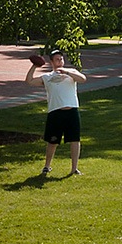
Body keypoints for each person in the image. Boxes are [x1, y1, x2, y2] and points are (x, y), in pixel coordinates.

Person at [28, 49, 84, 178]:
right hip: (55, 112)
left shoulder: (72, 73)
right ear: (52, 62)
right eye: (57, 60)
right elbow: (30, 81)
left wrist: (67, 71)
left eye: (61, 59)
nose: (60, 62)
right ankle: (47, 166)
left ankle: (74, 168)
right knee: (52, 141)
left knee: (74, 140)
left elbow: (83, 79)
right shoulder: (47, 77)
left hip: (72, 111)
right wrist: (34, 66)